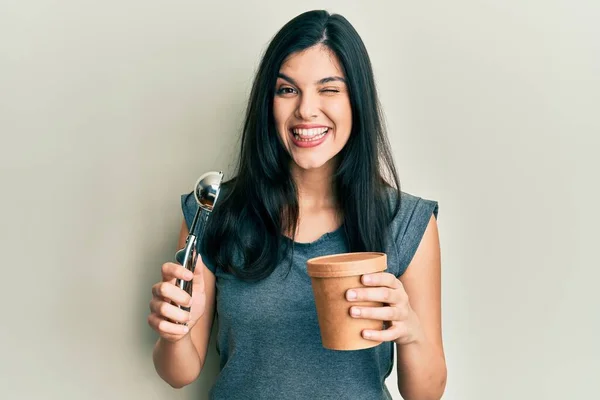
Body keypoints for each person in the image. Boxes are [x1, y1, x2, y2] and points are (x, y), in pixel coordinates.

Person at [148, 9, 447, 400]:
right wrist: (175, 332)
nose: (306, 109)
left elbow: (426, 393)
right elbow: (179, 372)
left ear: (357, 101)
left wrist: (410, 329)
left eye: (329, 89)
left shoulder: (406, 222)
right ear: (268, 102)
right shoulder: (215, 213)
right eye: (287, 90)